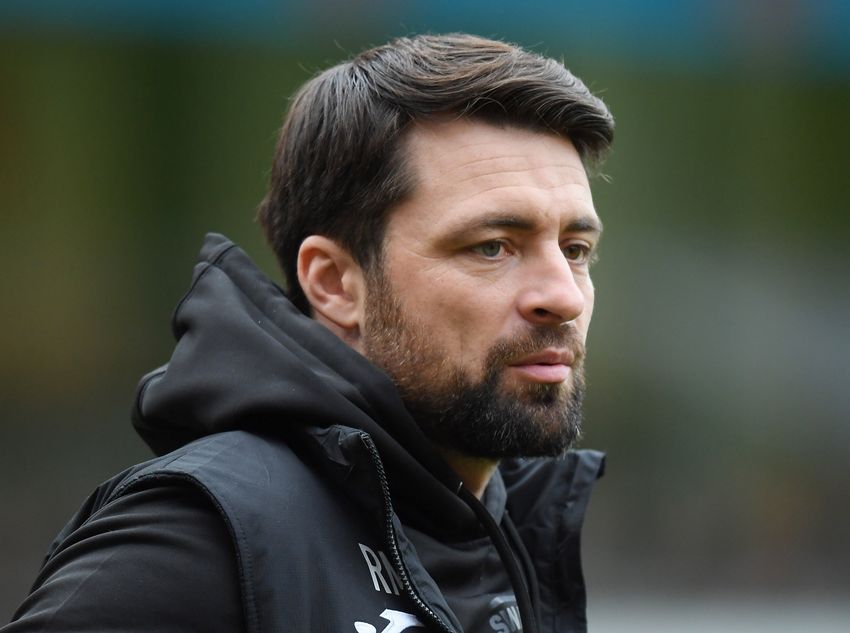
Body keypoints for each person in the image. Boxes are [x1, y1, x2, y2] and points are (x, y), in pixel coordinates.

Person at [4, 33, 614, 633]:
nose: (563, 296)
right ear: (335, 284)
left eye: (575, 249)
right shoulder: (203, 539)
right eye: (491, 246)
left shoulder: (515, 533)